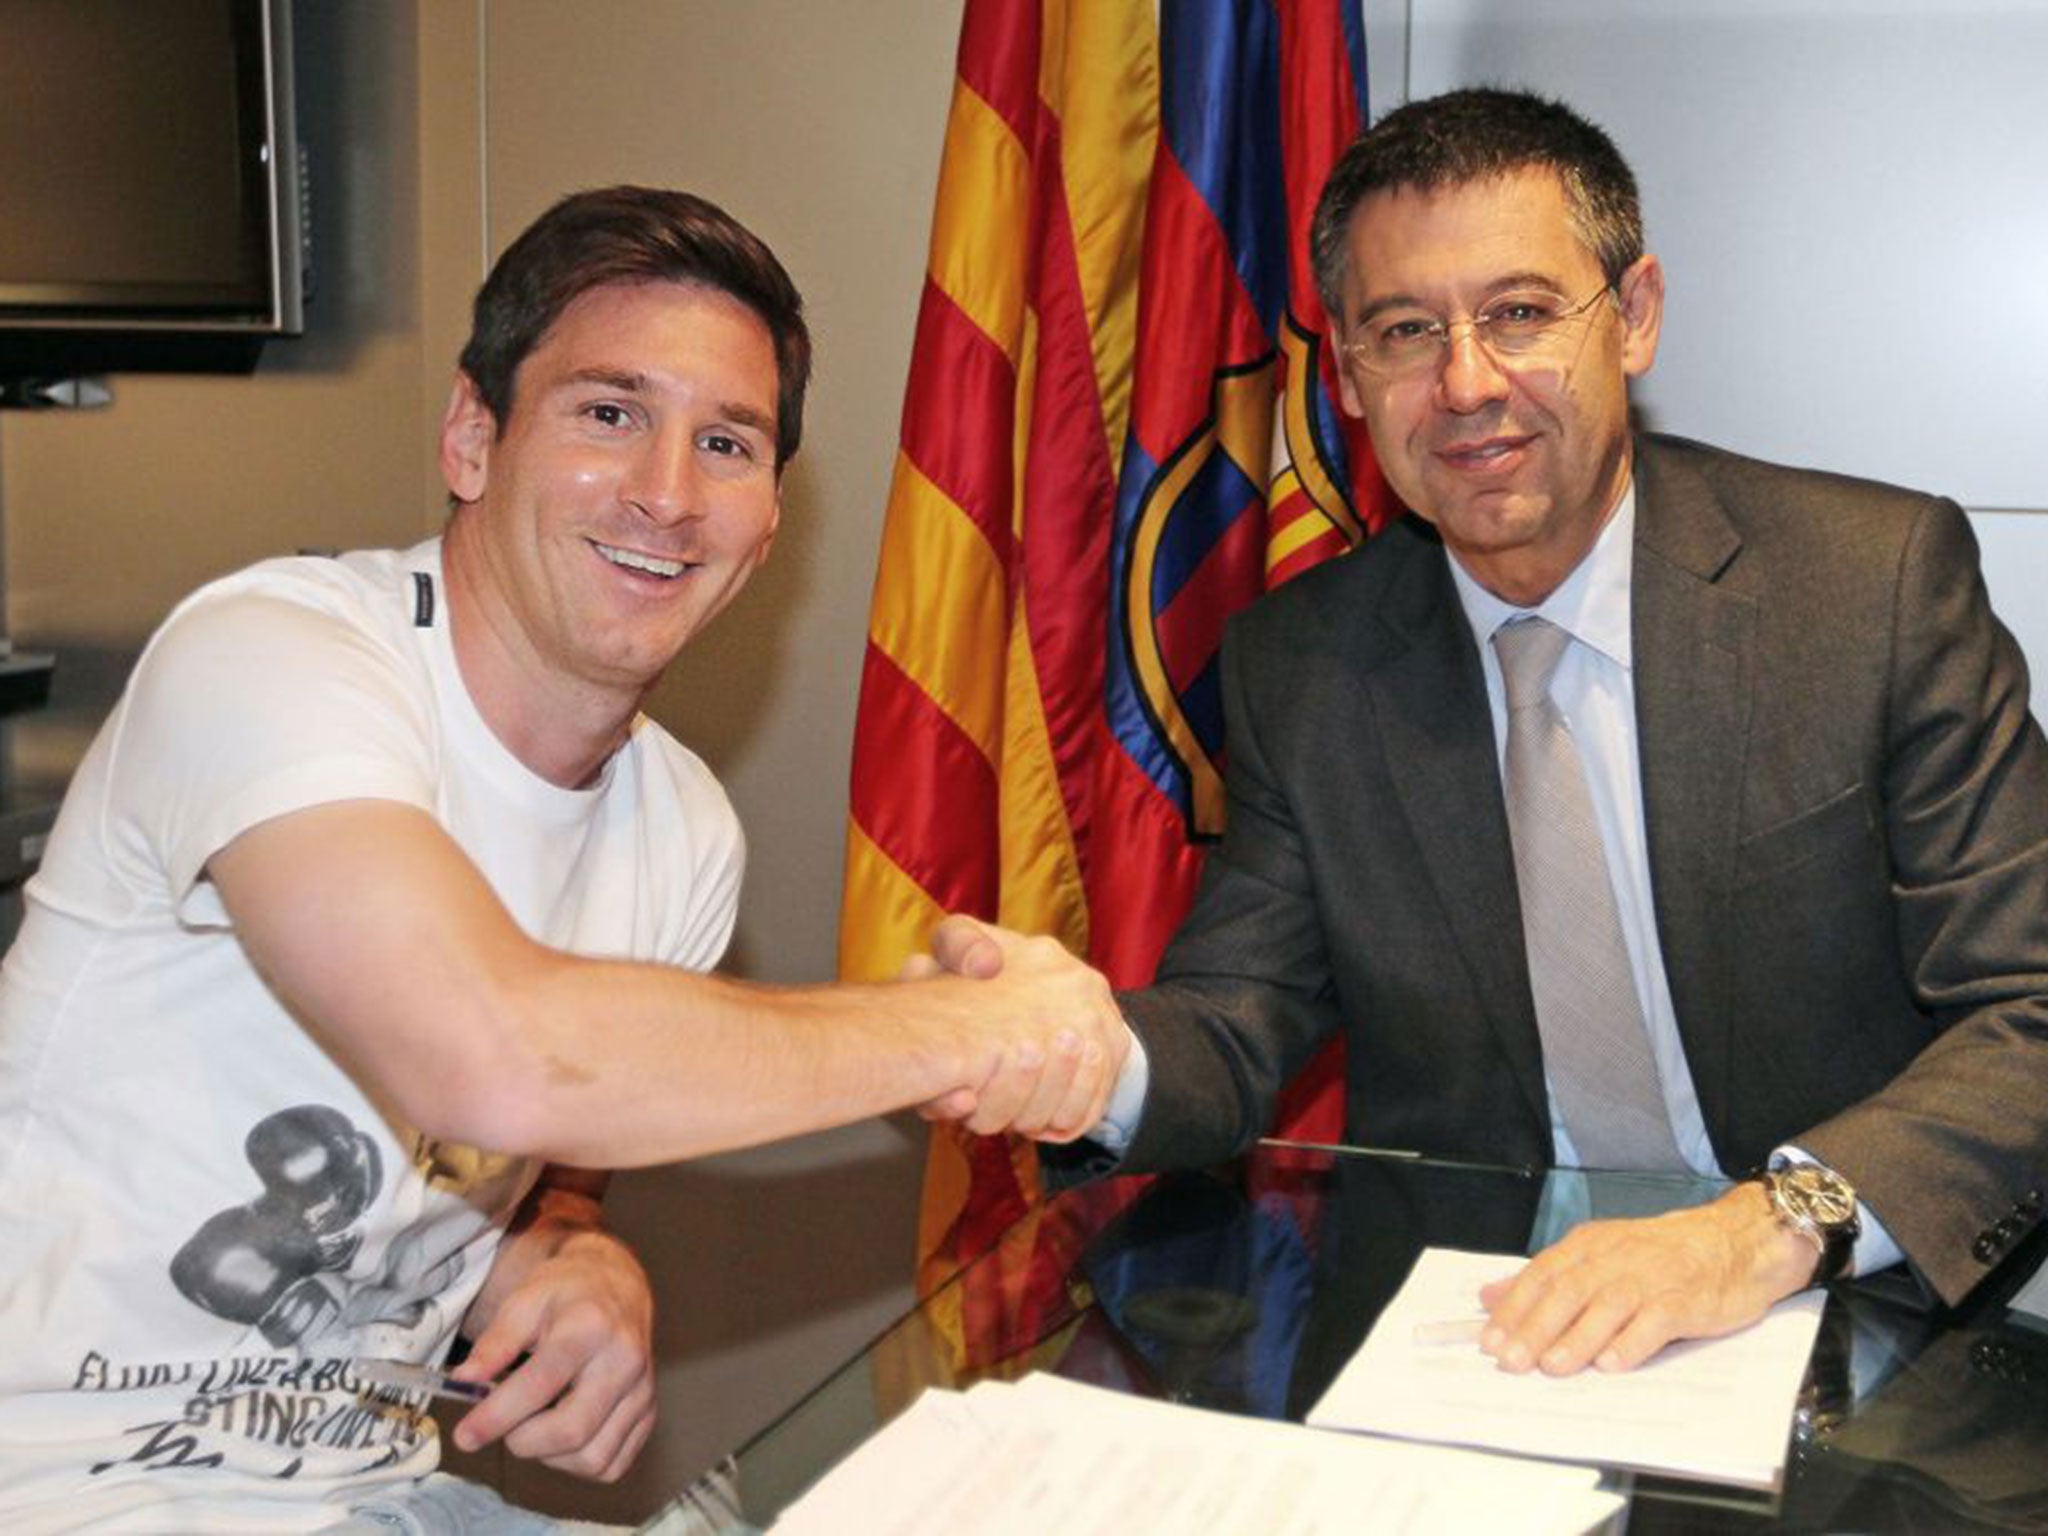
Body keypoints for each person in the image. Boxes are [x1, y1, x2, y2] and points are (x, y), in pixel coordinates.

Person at [0, 186, 1127, 1533]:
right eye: (609, 414)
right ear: (473, 438)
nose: (666, 493)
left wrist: (573, 1251)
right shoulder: (272, 653)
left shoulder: (682, 829)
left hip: (374, 1498)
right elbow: (493, 1054)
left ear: (769, 523)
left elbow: (555, 1142)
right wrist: (962, 1030)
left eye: (727, 443)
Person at [938, 87, 2048, 1377]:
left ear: (1632, 320)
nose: (1467, 384)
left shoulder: (1870, 589)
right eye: (1407, 331)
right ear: (1349, 377)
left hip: (1829, 1310)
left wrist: (1762, 1229)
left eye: (1519, 313)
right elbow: (1236, 1020)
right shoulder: (1304, 662)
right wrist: (1085, 1053)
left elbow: (2030, 1007)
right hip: (1467, 1337)